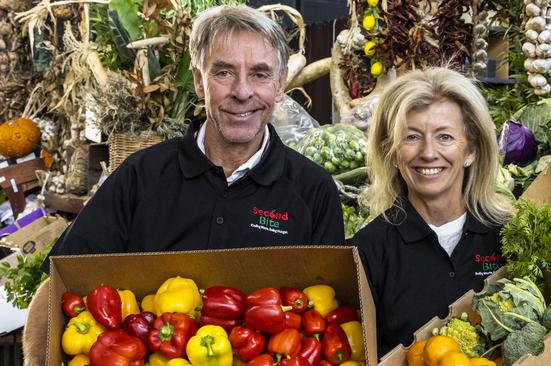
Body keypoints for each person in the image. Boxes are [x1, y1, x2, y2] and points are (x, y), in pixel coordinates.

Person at [23, 5, 344, 365]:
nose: (242, 92)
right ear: (197, 79)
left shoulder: (313, 191)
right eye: (223, 72)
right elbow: (58, 285)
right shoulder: (140, 177)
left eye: (259, 74)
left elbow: (328, 323)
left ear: (280, 82)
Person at [351, 67, 513, 357]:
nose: (428, 152)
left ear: (471, 150)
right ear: (392, 151)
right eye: (411, 137)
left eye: (445, 137)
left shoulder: (510, 236)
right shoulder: (366, 252)